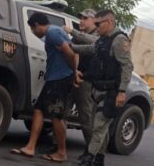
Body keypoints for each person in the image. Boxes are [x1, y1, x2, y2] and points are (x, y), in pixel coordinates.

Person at [11, 12, 78, 163]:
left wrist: (74, 72)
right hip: (53, 77)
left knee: (56, 115)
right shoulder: (54, 32)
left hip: (60, 78)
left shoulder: (53, 32)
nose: (34, 33)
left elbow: (70, 52)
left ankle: (61, 152)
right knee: (39, 109)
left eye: (33, 30)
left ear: (36, 25)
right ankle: (30, 147)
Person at [71, 10, 133, 166]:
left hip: (112, 92)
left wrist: (122, 92)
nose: (96, 27)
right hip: (99, 90)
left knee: (98, 126)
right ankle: (98, 159)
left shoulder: (119, 40)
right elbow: (91, 49)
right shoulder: (103, 40)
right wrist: (71, 47)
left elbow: (127, 67)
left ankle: (88, 158)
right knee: (99, 127)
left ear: (110, 22)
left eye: (98, 24)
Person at [63, 9, 98, 159]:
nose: (81, 21)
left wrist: (72, 32)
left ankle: (92, 152)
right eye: (81, 18)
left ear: (94, 20)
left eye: (85, 18)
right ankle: (58, 145)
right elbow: (73, 51)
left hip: (87, 82)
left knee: (85, 118)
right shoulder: (80, 35)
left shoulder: (98, 35)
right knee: (62, 112)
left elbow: (93, 43)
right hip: (74, 76)